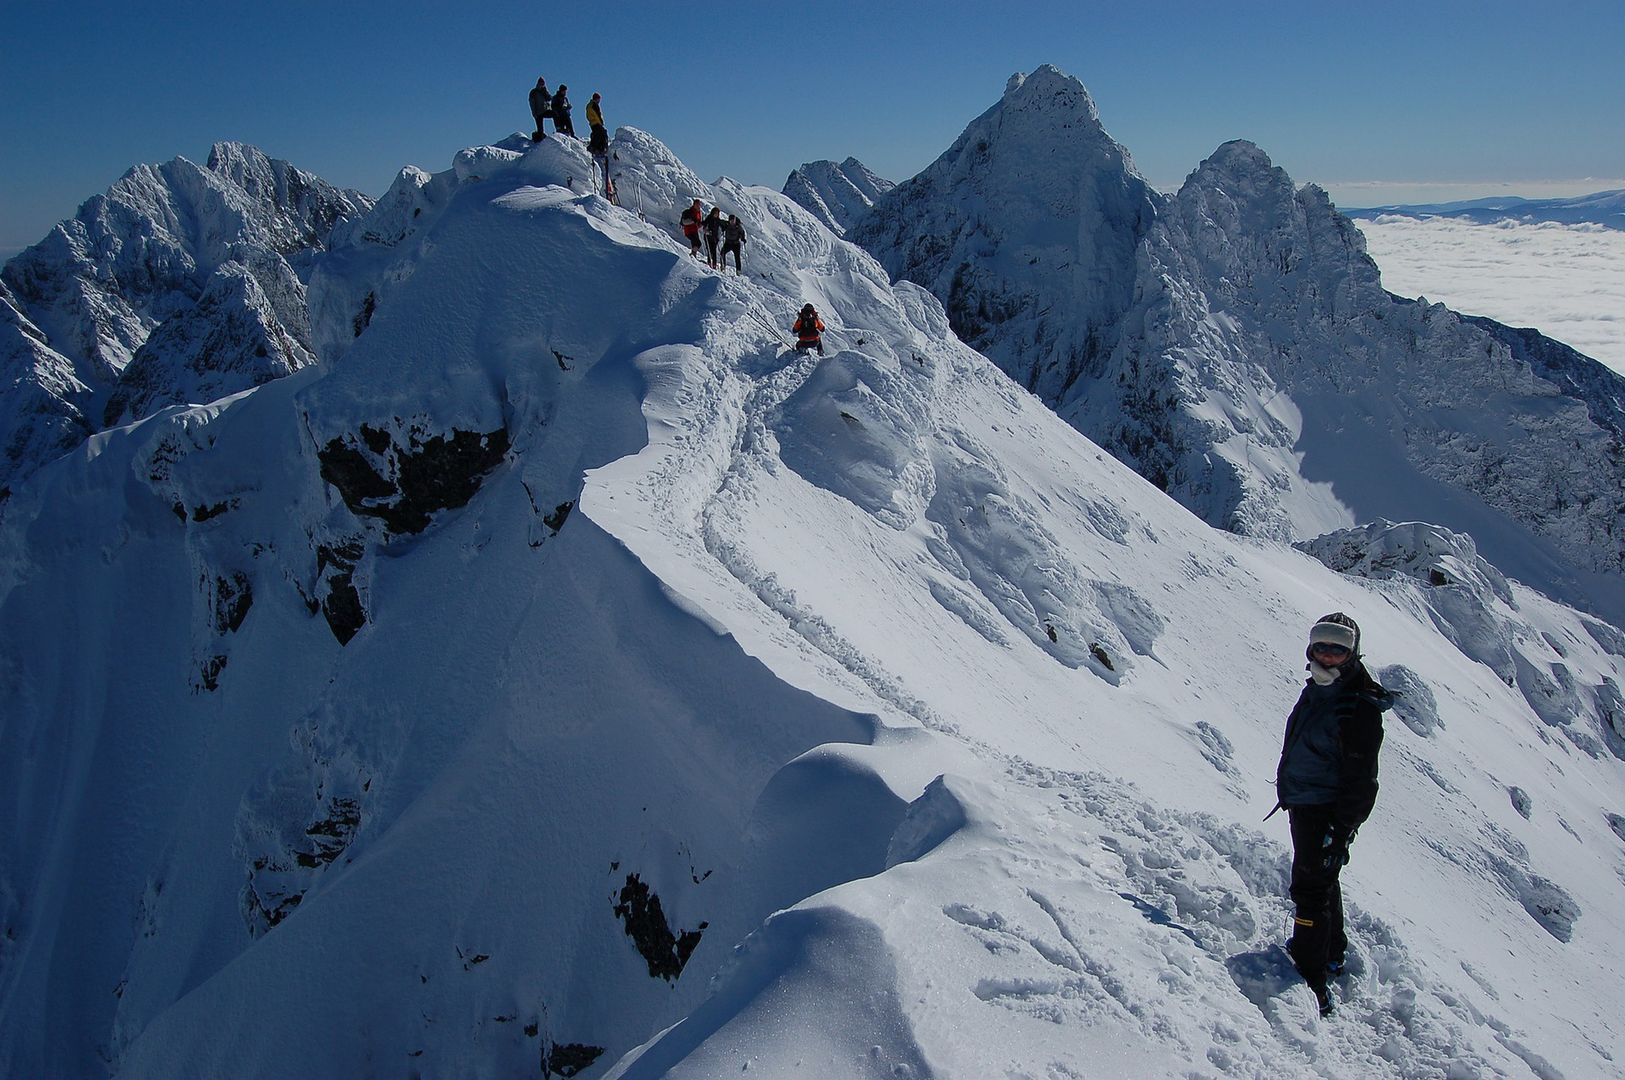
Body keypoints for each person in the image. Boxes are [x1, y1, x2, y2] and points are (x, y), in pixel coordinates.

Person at [1273, 612, 1392, 1017]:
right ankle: (1331, 952)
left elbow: (1363, 780)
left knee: (1310, 889)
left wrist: (1339, 831)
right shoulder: (1320, 689)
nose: (1327, 654)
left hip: (1324, 810)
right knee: (1323, 881)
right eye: (1321, 646)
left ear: (1352, 653)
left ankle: (1311, 977)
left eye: (1337, 648)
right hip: (1305, 801)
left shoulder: (1355, 706)